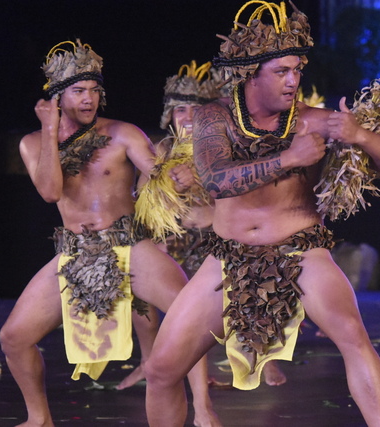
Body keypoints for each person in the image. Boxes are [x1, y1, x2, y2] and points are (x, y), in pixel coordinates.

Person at [144, 2, 380, 426]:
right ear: (251, 74)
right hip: (228, 258)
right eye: (281, 71)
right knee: (161, 370)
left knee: (353, 337)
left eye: (297, 69)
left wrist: (359, 134)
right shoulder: (214, 117)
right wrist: (289, 158)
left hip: (301, 251)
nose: (293, 80)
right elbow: (216, 179)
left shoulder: (312, 121)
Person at [0, 40, 220, 427]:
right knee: (13, 337)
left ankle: (203, 408)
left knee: (189, 317)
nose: (89, 99)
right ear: (56, 97)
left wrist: (179, 177)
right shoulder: (33, 143)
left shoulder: (122, 133)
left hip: (130, 245)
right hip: (76, 251)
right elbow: (50, 191)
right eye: (78, 91)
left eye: (94, 90)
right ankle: (39, 419)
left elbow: (158, 172)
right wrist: (49, 130)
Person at [119, 60, 288, 390]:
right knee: (139, 287)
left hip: (217, 238)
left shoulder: (221, 145)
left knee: (249, 284)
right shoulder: (162, 150)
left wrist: (203, 185)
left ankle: (265, 357)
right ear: (169, 115)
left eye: (196, 110)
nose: (188, 117)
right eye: (180, 110)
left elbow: (245, 194)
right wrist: (166, 194)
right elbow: (145, 202)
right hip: (177, 240)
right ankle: (148, 361)